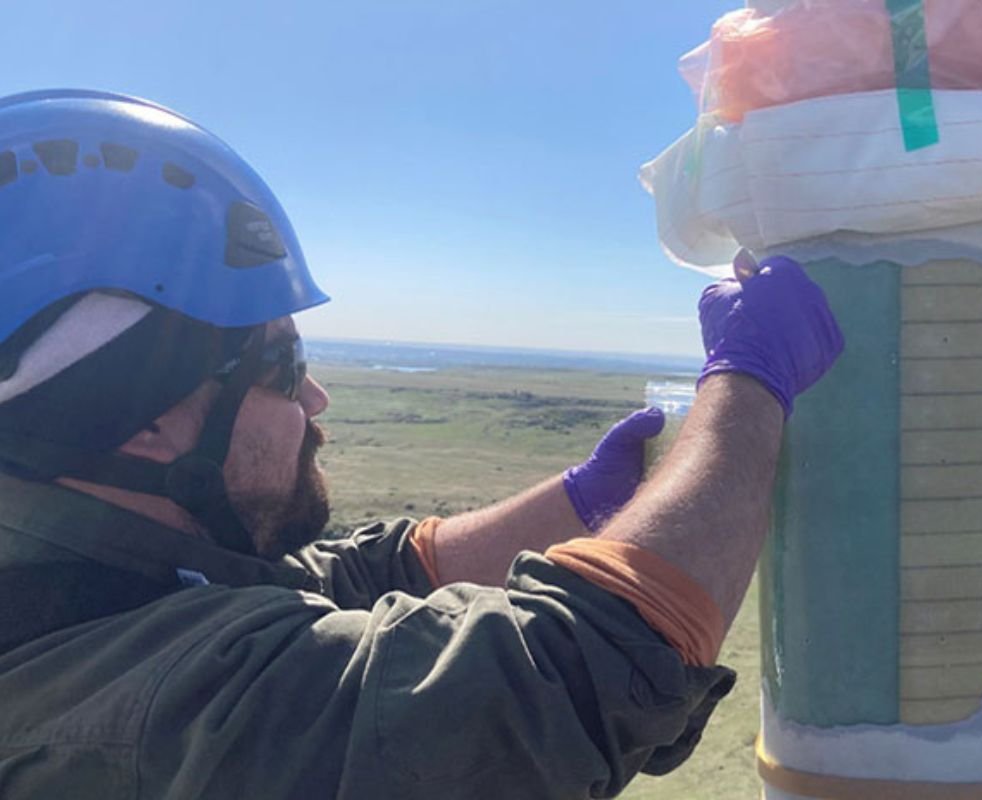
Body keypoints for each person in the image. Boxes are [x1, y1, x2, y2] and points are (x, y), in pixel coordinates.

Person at [0, 90, 843, 799]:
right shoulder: (141, 722)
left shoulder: (80, 582)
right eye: (282, 364)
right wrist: (748, 384)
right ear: (138, 415)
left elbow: (347, 582)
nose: (316, 396)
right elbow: (555, 681)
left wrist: (579, 502)